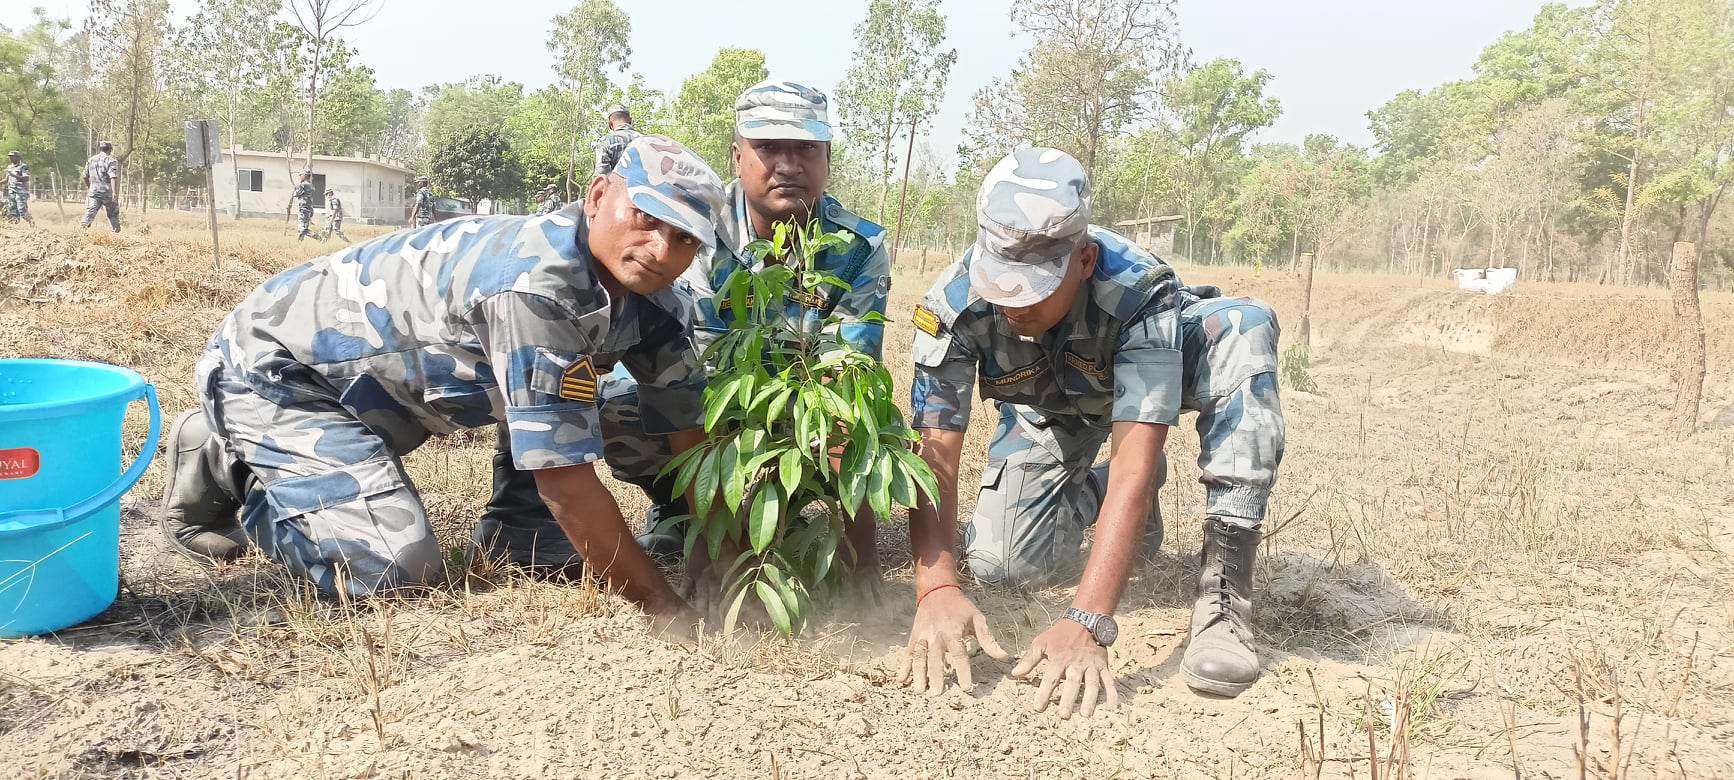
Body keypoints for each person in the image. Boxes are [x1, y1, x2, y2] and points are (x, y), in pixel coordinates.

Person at [156, 136, 726, 631]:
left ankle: (519, 527)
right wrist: (665, 606)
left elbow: (690, 437)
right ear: (599, 196)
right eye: (647, 219)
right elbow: (565, 481)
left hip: (386, 388)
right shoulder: (535, 288)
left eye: (684, 240)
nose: (660, 250)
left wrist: (721, 559)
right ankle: (236, 465)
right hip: (277, 371)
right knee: (392, 569)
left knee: (574, 397)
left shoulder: (654, 299)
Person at [898, 148, 1285, 716]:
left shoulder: (1139, 290)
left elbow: (1136, 452)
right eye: (999, 280)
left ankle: (1222, 602)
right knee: (1001, 566)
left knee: (1242, 330)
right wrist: (936, 588)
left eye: (1032, 285)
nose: (1011, 301)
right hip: (1052, 408)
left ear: (1083, 259)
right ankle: (1106, 498)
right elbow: (934, 454)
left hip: (1148, 386)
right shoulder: (954, 302)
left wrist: (1088, 619)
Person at [475, 80, 891, 586]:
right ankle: (667, 512)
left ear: (827, 156)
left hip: (793, 425)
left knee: (873, 420)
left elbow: (843, 390)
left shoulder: (856, 247)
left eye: (806, 147)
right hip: (699, 409)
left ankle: (776, 515)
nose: (788, 164)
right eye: (768, 148)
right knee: (600, 395)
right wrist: (711, 531)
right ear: (738, 156)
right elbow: (681, 379)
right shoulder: (693, 226)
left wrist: (863, 561)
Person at [81, 141, 121, 232]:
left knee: (90, 212)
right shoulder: (111, 161)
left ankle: (82, 232)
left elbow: (85, 176)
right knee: (113, 214)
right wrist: (115, 192)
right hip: (107, 193)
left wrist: (90, 187)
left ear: (100, 149)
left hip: (94, 192)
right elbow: (113, 177)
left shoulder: (91, 160)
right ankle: (116, 233)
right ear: (110, 150)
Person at [594, 106, 640, 177]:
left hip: (618, 187)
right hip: (645, 187)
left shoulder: (605, 142)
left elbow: (602, 176)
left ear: (610, 124)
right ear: (630, 121)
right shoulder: (645, 140)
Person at [288, 172, 317, 241]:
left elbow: (295, 194)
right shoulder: (311, 185)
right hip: (309, 208)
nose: (300, 177)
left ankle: (317, 237)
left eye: (301, 176)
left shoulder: (302, 185)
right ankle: (299, 243)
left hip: (303, 208)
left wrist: (296, 188)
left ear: (304, 176)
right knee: (304, 228)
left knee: (302, 229)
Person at [4, 151, 31, 225]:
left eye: (12, 156)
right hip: (11, 191)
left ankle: (31, 222)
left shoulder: (23, 166)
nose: (10, 158)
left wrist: (14, 175)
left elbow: (26, 178)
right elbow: (6, 180)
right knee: (12, 210)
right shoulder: (9, 167)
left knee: (21, 210)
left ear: (18, 157)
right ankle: (15, 225)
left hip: (21, 192)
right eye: (10, 156)